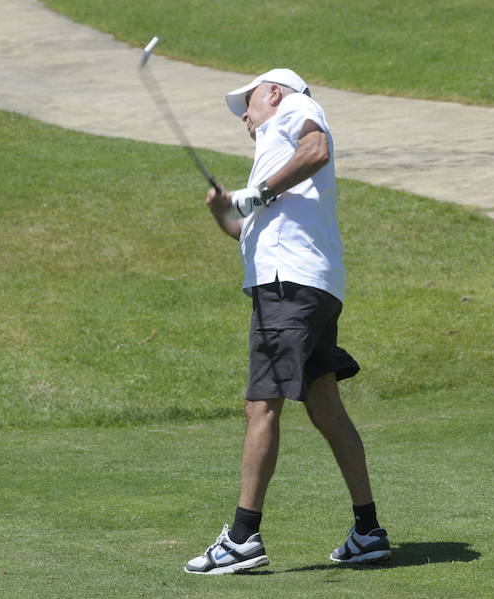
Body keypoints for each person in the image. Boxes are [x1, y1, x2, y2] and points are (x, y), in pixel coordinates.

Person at [183, 69, 390, 575]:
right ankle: (368, 531)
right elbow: (246, 232)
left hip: (288, 288)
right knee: (324, 404)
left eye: (249, 106)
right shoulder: (271, 161)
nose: (246, 119)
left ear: (274, 93)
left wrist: (260, 193)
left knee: (261, 406)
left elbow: (315, 150)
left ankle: (242, 538)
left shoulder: (297, 111)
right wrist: (224, 210)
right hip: (304, 285)